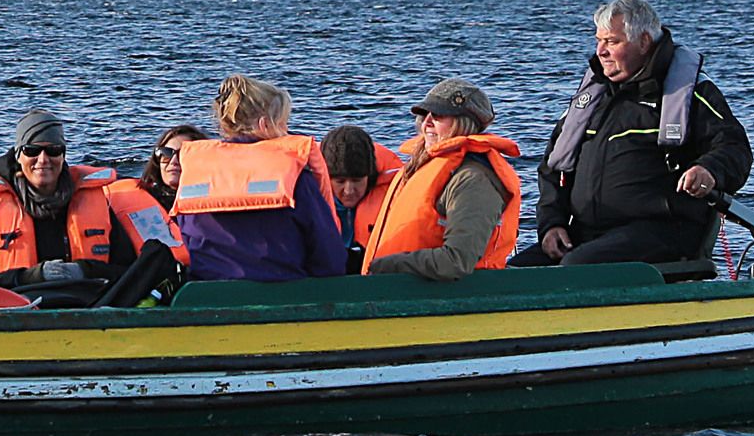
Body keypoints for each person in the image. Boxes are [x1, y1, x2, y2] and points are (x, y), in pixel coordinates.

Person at [523, 0, 754, 267]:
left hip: (663, 231)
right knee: (513, 273)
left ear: (643, 42)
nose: (601, 51)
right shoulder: (592, 99)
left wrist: (708, 170)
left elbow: (734, 148)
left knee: (576, 268)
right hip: (587, 234)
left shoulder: (689, 93)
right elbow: (552, 168)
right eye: (599, 41)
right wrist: (552, 224)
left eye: (612, 42)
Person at [0, 107, 180, 290]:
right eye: (32, 150)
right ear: (18, 156)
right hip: (19, 309)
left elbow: (129, 272)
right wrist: (30, 277)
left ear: (63, 155)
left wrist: (83, 270)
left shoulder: (95, 200)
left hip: (87, 306)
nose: (43, 159)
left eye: (53, 150)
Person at [167, 74, 356, 283]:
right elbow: (330, 260)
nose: (286, 131)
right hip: (285, 294)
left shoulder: (194, 178)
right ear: (265, 124)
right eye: (283, 124)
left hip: (208, 293)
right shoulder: (296, 179)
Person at [361, 79, 521, 281]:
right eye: (425, 114)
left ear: (464, 123)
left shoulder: (473, 180)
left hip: (448, 295)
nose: (427, 122)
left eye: (438, 115)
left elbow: (457, 260)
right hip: (395, 288)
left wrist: (388, 265)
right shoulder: (420, 166)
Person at [319, 123, 385, 266]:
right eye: (340, 181)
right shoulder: (309, 202)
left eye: (357, 180)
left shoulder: (392, 200)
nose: (349, 190)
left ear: (369, 177)